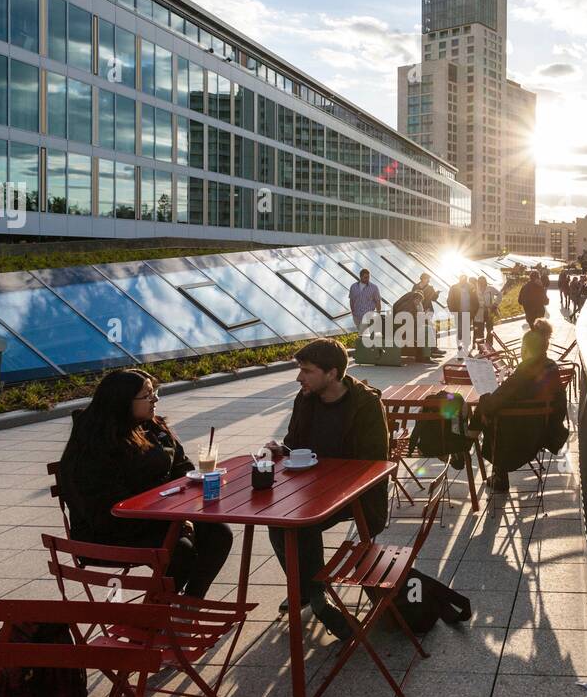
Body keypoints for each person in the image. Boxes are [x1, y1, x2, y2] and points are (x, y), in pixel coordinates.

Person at [59, 369, 232, 598]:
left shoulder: (151, 426)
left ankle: (188, 604)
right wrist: (174, 519)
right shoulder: (95, 445)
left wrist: (185, 510)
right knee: (179, 551)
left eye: (154, 392)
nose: (155, 399)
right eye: (147, 395)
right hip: (108, 531)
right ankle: (151, 617)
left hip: (157, 518)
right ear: (122, 401)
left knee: (218, 532)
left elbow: (182, 467)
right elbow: (104, 508)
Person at [263, 339, 389, 640]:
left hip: (357, 496)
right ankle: (309, 590)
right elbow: (295, 440)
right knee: (277, 522)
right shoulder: (305, 398)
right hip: (311, 489)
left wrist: (326, 478)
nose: (299, 378)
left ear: (332, 374)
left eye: (306, 371)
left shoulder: (366, 405)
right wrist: (281, 448)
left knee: (300, 526)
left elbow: (373, 465)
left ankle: (316, 598)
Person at [472, 321, 569, 492]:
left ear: (525, 349)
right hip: (544, 431)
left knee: (487, 408)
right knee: (491, 409)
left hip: (517, 436)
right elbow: (559, 403)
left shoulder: (525, 372)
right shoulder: (551, 367)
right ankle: (468, 437)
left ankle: (468, 442)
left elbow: (497, 400)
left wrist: (485, 401)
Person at [446, 273, 479, 356]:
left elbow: (475, 300)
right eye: (462, 280)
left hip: (469, 313)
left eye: (464, 280)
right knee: (460, 331)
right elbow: (449, 300)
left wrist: (474, 311)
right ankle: (460, 350)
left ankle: (466, 349)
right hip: (459, 313)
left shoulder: (471, 287)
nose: (463, 282)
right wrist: (453, 311)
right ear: (459, 280)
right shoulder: (454, 288)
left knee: (467, 331)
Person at [348, 268, 382, 333]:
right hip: (356, 316)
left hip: (368, 316)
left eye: (368, 277)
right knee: (361, 333)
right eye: (365, 277)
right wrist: (353, 312)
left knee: (363, 333)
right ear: (360, 277)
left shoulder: (374, 288)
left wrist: (378, 314)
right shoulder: (353, 287)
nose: (367, 279)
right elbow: (351, 300)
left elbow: (378, 301)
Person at [473, 275, 501, 345]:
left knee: (490, 329)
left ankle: (489, 344)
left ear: (485, 282)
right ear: (478, 282)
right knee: (480, 330)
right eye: (480, 282)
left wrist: (495, 304)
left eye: (483, 281)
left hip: (489, 311)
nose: (482, 283)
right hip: (479, 313)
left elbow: (499, 294)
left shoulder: (490, 288)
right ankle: (481, 347)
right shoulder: (475, 290)